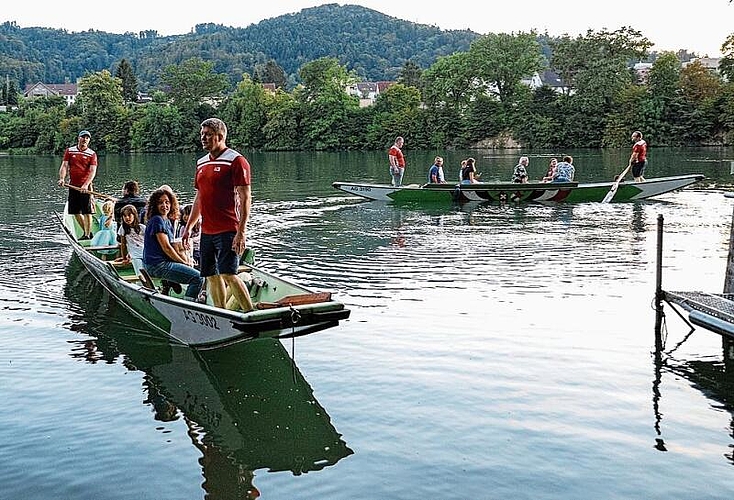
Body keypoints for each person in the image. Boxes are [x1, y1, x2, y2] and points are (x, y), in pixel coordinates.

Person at [181, 117, 254, 312]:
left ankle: (250, 312)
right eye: (202, 134)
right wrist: (188, 227)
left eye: (208, 135)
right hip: (207, 230)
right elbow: (199, 197)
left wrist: (241, 231)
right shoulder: (201, 163)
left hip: (229, 228)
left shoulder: (236, 161)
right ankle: (221, 312)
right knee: (211, 275)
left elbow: (245, 198)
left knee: (229, 273)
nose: (203, 138)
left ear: (220, 136)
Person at [143, 187, 203, 300]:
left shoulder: (166, 220)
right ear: (154, 205)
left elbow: (173, 245)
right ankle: (188, 306)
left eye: (167, 202)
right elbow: (167, 248)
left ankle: (169, 284)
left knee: (193, 267)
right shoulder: (157, 220)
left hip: (159, 262)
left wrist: (186, 257)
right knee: (198, 278)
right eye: (160, 203)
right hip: (157, 265)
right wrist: (183, 262)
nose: (164, 205)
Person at [57, 130, 97, 239]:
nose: (85, 139)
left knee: (87, 212)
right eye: (83, 137)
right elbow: (64, 166)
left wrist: (86, 184)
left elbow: (93, 171)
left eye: (87, 138)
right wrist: (62, 178)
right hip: (73, 185)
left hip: (86, 186)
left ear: (89, 140)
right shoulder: (70, 151)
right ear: (78, 138)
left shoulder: (91, 154)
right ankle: (87, 231)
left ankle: (87, 235)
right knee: (75, 212)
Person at [116, 204, 146, 276]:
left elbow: (149, 242)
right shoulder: (123, 228)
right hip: (135, 255)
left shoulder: (142, 227)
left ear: (134, 215)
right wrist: (124, 258)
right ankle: (140, 285)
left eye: (129, 215)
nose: (127, 218)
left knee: (147, 272)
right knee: (140, 273)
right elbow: (123, 244)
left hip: (145, 253)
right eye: (124, 216)